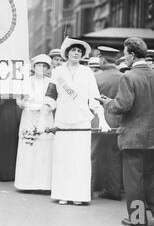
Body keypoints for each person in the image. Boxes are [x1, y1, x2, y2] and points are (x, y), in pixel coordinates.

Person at [98, 37, 154, 226]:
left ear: (131, 54)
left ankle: (138, 219)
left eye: (124, 53)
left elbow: (122, 106)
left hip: (133, 137)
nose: (124, 57)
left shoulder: (129, 77)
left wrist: (107, 102)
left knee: (134, 180)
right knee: (153, 177)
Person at [41, 37, 110, 205]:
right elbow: (50, 96)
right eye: (73, 50)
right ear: (67, 53)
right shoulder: (58, 72)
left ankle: (78, 195)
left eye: (79, 51)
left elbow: (94, 99)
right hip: (63, 121)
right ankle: (62, 194)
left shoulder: (87, 72)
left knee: (79, 159)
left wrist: (102, 120)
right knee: (63, 158)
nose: (76, 53)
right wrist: (42, 120)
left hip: (81, 121)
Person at [15, 54, 54, 191]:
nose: (41, 68)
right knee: (28, 146)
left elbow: (55, 100)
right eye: (38, 65)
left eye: (44, 66)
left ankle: (43, 184)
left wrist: (46, 107)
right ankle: (25, 183)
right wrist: (27, 105)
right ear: (34, 66)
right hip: (29, 116)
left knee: (43, 150)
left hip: (45, 117)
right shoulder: (25, 81)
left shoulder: (51, 82)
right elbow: (18, 100)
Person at [93, 46, 123, 200]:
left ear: (102, 59)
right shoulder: (123, 77)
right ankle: (114, 191)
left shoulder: (96, 77)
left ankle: (88, 189)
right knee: (114, 157)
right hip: (117, 123)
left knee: (92, 156)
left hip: (98, 123)